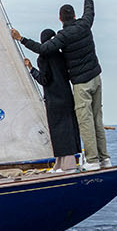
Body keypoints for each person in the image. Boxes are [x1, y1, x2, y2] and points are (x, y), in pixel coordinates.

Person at [13, 0, 106, 168]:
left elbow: (43, 49)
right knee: (97, 118)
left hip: (81, 83)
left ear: (60, 19)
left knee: (85, 121)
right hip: (96, 78)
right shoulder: (84, 24)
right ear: (73, 15)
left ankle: (94, 161)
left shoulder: (62, 37)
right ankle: (105, 158)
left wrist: (21, 39)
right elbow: (90, 12)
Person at [22, 29, 80, 171]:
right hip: (67, 97)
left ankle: (65, 165)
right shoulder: (61, 56)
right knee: (68, 129)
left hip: (53, 100)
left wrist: (31, 68)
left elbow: (44, 80)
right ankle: (65, 163)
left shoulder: (43, 58)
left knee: (57, 132)